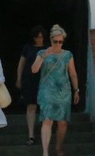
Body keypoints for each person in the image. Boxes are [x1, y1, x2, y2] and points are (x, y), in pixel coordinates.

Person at [32, 24, 79, 156]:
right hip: (47, 90)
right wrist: (43, 57)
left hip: (64, 91)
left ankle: (59, 148)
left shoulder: (67, 55)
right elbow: (34, 70)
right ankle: (45, 152)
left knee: (62, 122)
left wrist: (77, 90)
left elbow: (73, 73)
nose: (58, 44)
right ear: (50, 40)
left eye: (60, 42)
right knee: (47, 120)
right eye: (55, 41)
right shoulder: (42, 53)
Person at [16, 25, 47, 145]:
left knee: (45, 107)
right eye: (37, 37)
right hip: (29, 80)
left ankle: (45, 133)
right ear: (33, 38)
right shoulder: (27, 48)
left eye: (41, 37)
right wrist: (18, 79)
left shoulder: (48, 48)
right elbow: (21, 64)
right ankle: (31, 135)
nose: (39, 39)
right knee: (31, 106)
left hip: (45, 80)